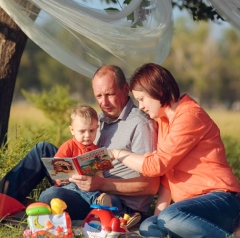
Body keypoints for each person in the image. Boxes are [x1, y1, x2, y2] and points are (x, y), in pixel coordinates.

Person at [0, 65, 159, 228]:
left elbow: (151, 186)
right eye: (99, 96)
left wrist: (100, 184)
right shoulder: (99, 119)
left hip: (114, 202)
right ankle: (1, 200)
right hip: (83, 185)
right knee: (43, 150)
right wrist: (63, 174)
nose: (104, 102)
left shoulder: (140, 124)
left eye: (110, 94)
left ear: (125, 89)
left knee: (50, 196)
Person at [110, 63, 240, 238]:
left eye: (142, 99)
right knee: (149, 225)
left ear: (158, 91)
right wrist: (158, 220)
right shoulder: (164, 121)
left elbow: (155, 165)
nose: (140, 106)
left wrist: (117, 154)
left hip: (220, 199)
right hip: (188, 208)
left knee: (170, 218)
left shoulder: (190, 116)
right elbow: (167, 181)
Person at [52, 105, 113, 207]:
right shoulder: (69, 145)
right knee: (75, 185)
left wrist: (100, 183)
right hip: (68, 186)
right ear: (72, 130)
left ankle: (110, 209)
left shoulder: (97, 151)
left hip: (87, 188)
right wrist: (59, 177)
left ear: (97, 128)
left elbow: (100, 176)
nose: (87, 135)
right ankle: (98, 201)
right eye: (82, 131)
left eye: (91, 130)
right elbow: (56, 165)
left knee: (93, 190)